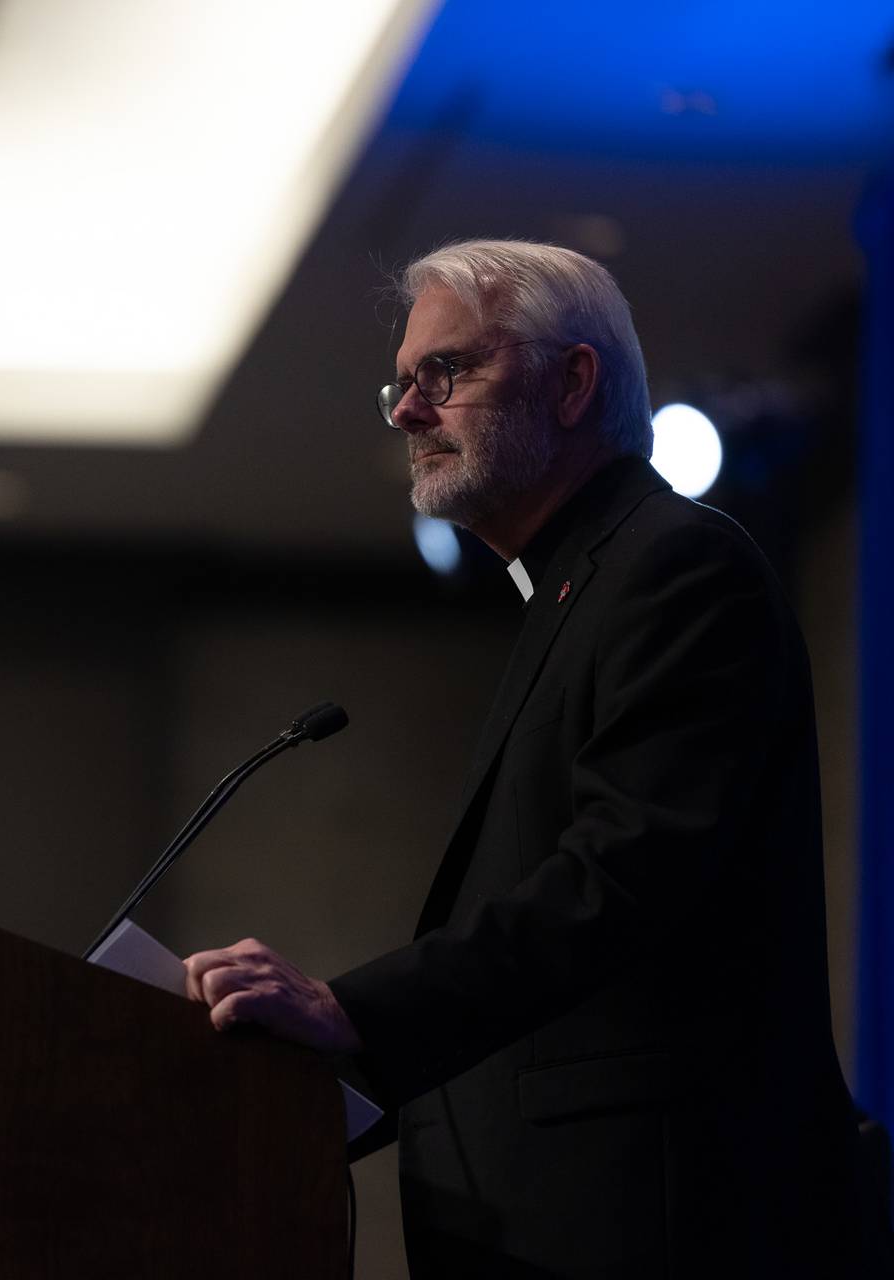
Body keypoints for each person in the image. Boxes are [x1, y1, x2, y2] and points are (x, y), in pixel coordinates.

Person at [183, 240, 867, 1276]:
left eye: (445, 373)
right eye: (402, 385)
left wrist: (348, 1010)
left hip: (659, 1225)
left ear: (572, 381)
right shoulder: (573, 593)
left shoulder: (676, 566)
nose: (410, 412)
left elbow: (623, 879)